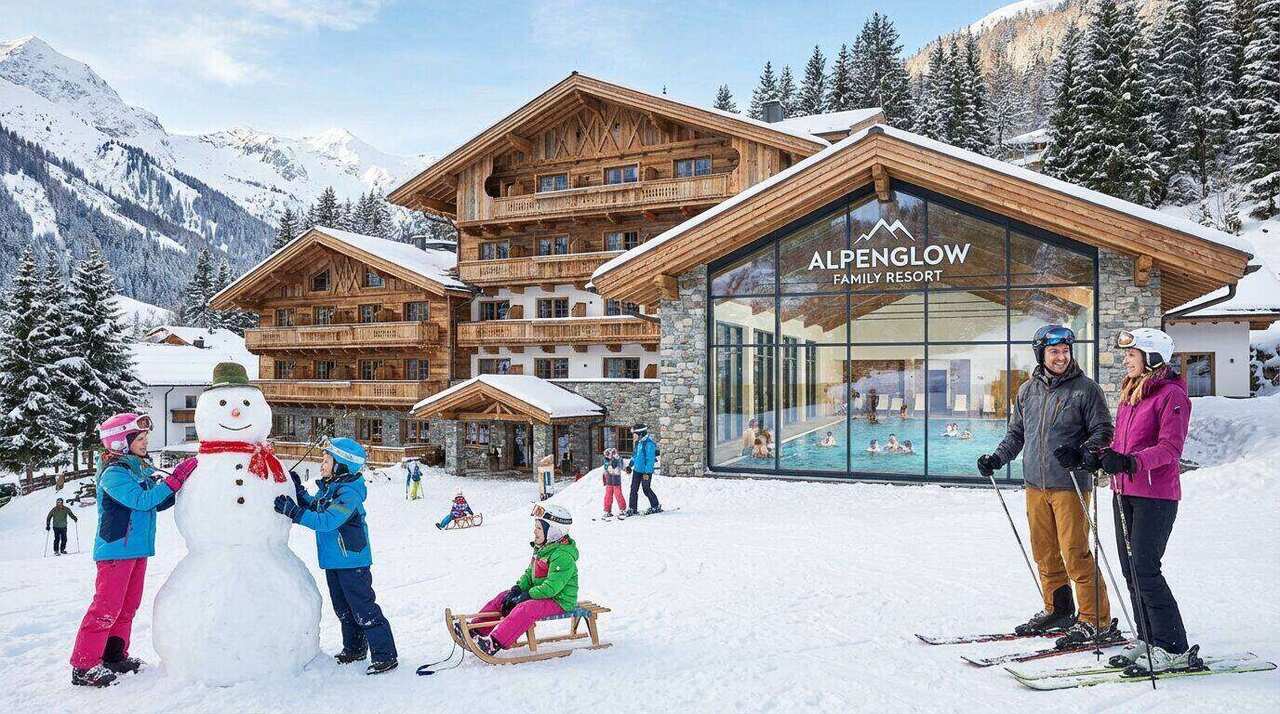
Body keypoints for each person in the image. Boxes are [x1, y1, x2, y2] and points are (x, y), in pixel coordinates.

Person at [978, 325, 1115, 646]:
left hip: (1070, 484)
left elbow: (1104, 431)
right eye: (1054, 351)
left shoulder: (1086, 390)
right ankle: (1059, 609)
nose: (1061, 356)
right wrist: (997, 459)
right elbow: (1016, 435)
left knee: (1075, 553)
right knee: (1045, 552)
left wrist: (1082, 453)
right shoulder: (1027, 391)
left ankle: (1096, 619)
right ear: (1041, 354)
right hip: (1035, 485)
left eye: (1065, 351)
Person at [70, 413, 195, 688]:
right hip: (115, 551)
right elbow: (141, 500)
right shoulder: (113, 473)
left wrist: (180, 487)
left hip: (136, 549)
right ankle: (84, 665)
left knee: (127, 607)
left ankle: (114, 656)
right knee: (106, 608)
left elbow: (156, 503)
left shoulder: (136, 469)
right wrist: (173, 481)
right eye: (139, 438)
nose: (145, 442)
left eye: (145, 437)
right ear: (120, 443)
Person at [1096, 328, 1193, 673]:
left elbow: (1170, 449)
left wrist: (1130, 463)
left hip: (1155, 496)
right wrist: (1096, 457)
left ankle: (1174, 646)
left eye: (1131, 355)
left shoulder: (1172, 396)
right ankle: (1149, 638)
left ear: (1151, 357)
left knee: (1146, 569)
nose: (1125, 360)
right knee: (1129, 570)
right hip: (1124, 491)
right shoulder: (1131, 393)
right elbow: (1123, 446)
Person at [274, 438, 398, 675]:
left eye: (326, 460)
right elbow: (317, 506)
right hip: (334, 561)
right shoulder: (331, 489)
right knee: (343, 608)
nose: (321, 465)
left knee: (363, 608)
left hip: (352, 561)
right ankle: (354, 649)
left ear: (341, 465)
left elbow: (327, 521)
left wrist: (295, 512)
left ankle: (385, 655)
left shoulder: (349, 494)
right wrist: (300, 494)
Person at [468, 504, 578, 656]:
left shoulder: (563, 556)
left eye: (539, 528)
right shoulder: (543, 548)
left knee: (526, 608)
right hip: (542, 595)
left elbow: (551, 588)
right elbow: (530, 573)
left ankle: (495, 643)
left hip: (559, 600)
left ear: (553, 532)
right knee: (503, 597)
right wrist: (518, 589)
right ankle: (475, 630)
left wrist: (527, 595)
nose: (535, 531)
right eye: (536, 527)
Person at [624, 423, 661, 516]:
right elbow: (635, 455)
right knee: (633, 489)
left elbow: (650, 460)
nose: (633, 436)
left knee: (646, 489)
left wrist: (647, 473)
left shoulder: (649, 444)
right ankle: (632, 508)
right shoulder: (638, 443)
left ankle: (655, 506)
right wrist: (630, 465)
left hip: (645, 472)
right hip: (637, 470)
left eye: (635, 434)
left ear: (640, 434)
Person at [601, 448, 627, 519]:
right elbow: (605, 469)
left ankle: (622, 509)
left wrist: (618, 458)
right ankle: (607, 510)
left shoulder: (617, 459)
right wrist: (604, 478)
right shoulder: (605, 460)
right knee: (608, 496)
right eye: (607, 455)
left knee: (618, 494)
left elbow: (622, 466)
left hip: (616, 480)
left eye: (610, 454)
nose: (608, 456)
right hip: (609, 480)